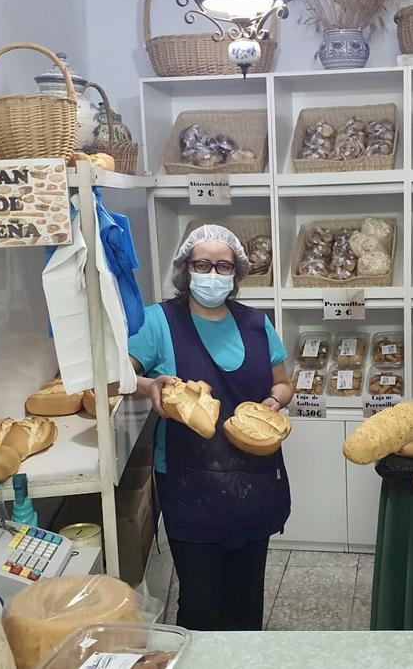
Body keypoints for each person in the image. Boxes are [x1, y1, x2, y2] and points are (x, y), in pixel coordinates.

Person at [128, 225, 294, 631]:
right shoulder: (158, 321)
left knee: (246, 597)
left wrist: (273, 403)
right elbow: (119, 377)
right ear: (185, 269)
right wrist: (150, 385)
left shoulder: (257, 323)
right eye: (203, 264)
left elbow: (284, 382)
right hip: (190, 484)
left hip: (255, 482)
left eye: (224, 265)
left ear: (237, 273)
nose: (213, 274)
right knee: (201, 602)